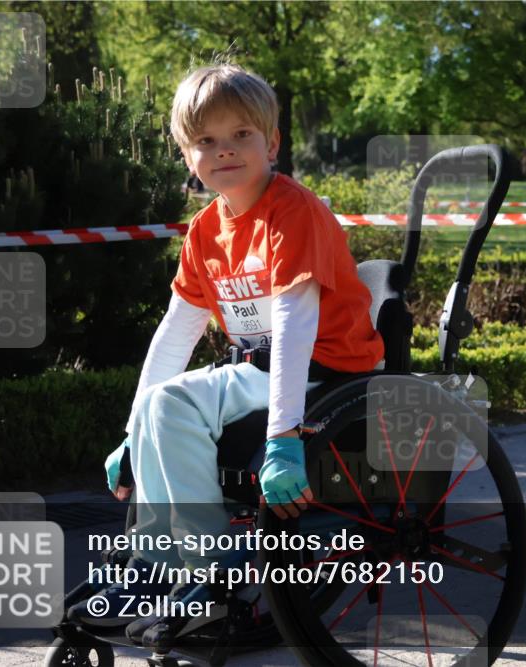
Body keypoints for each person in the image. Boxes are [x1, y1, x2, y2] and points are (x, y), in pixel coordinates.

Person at [68, 63, 385, 641]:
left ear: (273, 142)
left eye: (241, 135)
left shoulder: (293, 210)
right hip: (262, 371)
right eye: (206, 141)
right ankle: (164, 566)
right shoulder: (205, 232)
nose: (225, 151)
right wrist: (132, 436)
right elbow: (175, 333)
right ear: (188, 156)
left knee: (176, 407)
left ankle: (206, 577)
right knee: (162, 405)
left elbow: (294, 325)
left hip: (327, 371)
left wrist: (284, 440)